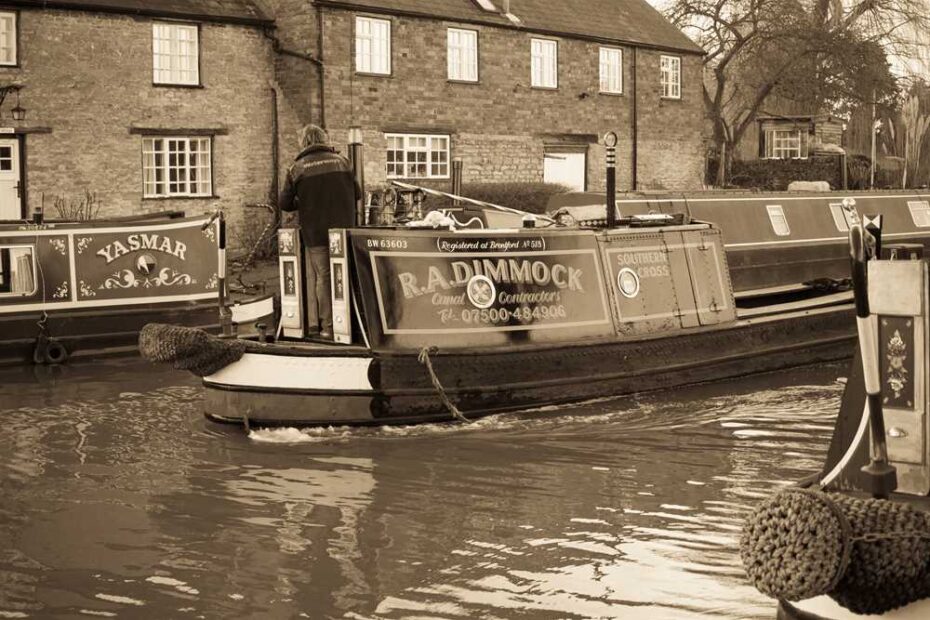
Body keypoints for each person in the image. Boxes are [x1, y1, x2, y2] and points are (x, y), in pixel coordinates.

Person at [280, 124, 359, 338]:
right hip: (344, 231)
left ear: (304, 142)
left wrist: (304, 201)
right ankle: (353, 324)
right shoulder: (343, 162)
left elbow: (284, 203)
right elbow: (357, 194)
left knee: (324, 277)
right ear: (324, 138)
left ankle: (327, 327)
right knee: (345, 274)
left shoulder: (297, 168)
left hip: (315, 232)